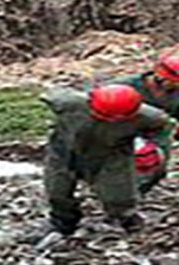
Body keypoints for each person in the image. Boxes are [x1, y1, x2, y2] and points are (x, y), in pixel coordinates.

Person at [40, 84, 170, 235]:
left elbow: (161, 129)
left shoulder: (149, 117)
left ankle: (126, 220)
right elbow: (50, 93)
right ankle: (63, 221)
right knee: (57, 190)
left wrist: (152, 147)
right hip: (63, 152)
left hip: (110, 156)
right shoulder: (69, 102)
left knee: (119, 194)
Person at [116, 55, 179, 193]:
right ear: (158, 74)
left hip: (157, 130)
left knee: (156, 167)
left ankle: (135, 194)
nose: (175, 85)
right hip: (124, 128)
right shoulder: (125, 86)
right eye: (171, 81)